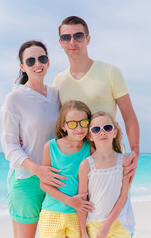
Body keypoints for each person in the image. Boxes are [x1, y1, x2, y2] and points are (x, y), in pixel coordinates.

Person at [53, 16, 140, 179]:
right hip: (75, 163)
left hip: (110, 158)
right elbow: (57, 122)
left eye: (78, 36)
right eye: (66, 37)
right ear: (61, 43)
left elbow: (129, 117)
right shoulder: (59, 80)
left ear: (88, 39)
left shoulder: (110, 72)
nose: (72, 42)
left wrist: (135, 150)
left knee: (116, 205)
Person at [0, 40, 67, 238]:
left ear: (48, 61)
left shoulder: (57, 95)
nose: (37, 64)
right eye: (30, 61)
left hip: (57, 179)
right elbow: (10, 147)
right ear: (22, 67)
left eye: (42, 58)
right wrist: (38, 170)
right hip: (26, 180)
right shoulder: (15, 99)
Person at [39, 100, 95, 238]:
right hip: (52, 211)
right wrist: (70, 201)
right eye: (72, 123)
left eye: (83, 122)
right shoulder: (51, 147)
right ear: (64, 126)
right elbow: (43, 184)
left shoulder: (91, 149)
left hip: (78, 214)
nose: (79, 128)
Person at [78, 111, 135, 238]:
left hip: (120, 223)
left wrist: (107, 226)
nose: (102, 132)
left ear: (114, 132)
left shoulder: (125, 161)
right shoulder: (86, 165)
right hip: (93, 224)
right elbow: (82, 201)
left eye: (107, 128)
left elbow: (123, 196)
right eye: (96, 129)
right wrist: (83, 232)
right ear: (90, 136)